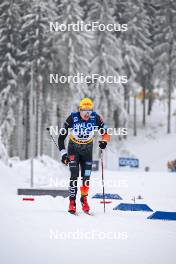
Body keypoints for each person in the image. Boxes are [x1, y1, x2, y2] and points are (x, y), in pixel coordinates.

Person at [58, 98, 110, 214]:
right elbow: (61, 138)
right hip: (74, 149)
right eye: (85, 110)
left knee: (86, 176)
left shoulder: (95, 117)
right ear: (79, 110)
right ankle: (72, 201)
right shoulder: (72, 118)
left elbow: (106, 132)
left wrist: (104, 141)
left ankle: (84, 199)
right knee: (74, 175)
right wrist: (63, 154)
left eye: (89, 110)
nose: (87, 113)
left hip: (87, 149)